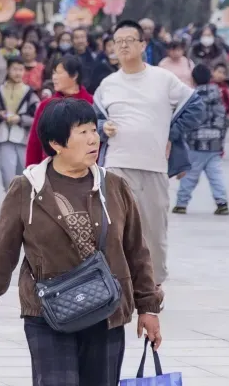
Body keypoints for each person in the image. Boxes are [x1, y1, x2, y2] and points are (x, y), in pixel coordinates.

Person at [0, 99, 162, 386]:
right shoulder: (27, 189)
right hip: (47, 313)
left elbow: (137, 251)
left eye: (94, 130)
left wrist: (148, 307)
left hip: (105, 312)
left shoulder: (114, 186)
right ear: (56, 143)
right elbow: (1, 254)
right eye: (82, 132)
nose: (93, 139)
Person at [93, 20, 200, 286]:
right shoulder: (107, 84)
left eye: (129, 40)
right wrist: (102, 127)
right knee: (115, 228)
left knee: (153, 231)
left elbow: (196, 107)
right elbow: (92, 121)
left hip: (154, 165)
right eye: (118, 42)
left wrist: (171, 134)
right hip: (116, 164)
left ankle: (153, 284)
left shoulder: (163, 79)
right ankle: (118, 282)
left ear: (143, 45)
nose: (123, 46)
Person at [172, 65, 229, 216]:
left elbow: (188, 120)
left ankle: (181, 204)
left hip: (195, 143)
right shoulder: (218, 94)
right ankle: (222, 202)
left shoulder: (192, 96)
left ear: (193, 79)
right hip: (215, 142)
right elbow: (223, 117)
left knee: (190, 175)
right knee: (215, 175)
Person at [24, 55, 94, 167]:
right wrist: (31, 169)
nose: (54, 78)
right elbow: (35, 141)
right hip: (51, 169)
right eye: (53, 73)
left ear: (74, 75)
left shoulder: (91, 103)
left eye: (59, 73)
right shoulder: (46, 105)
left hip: (84, 168)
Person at [0, 57, 39, 190]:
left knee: (24, 174)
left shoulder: (29, 92)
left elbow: (37, 116)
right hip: (4, 135)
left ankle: (21, 201)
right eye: (14, 69)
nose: (18, 73)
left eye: (20, 69)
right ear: (8, 70)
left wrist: (21, 119)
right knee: (7, 175)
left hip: (23, 137)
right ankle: (11, 199)